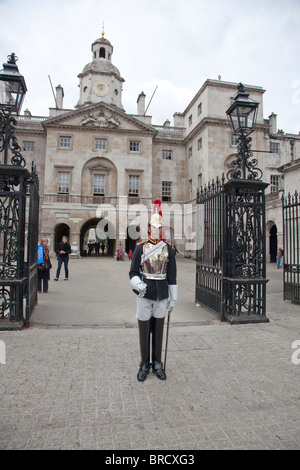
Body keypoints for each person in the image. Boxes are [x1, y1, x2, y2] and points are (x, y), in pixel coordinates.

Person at [129, 198, 177, 382]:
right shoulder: (141, 249)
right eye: (154, 228)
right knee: (144, 330)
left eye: (160, 228)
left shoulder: (168, 250)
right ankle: (144, 363)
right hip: (145, 294)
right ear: (149, 229)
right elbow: (133, 272)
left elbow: (172, 276)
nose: (157, 231)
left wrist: (174, 299)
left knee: (158, 330)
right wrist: (138, 284)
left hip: (162, 294)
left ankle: (157, 363)